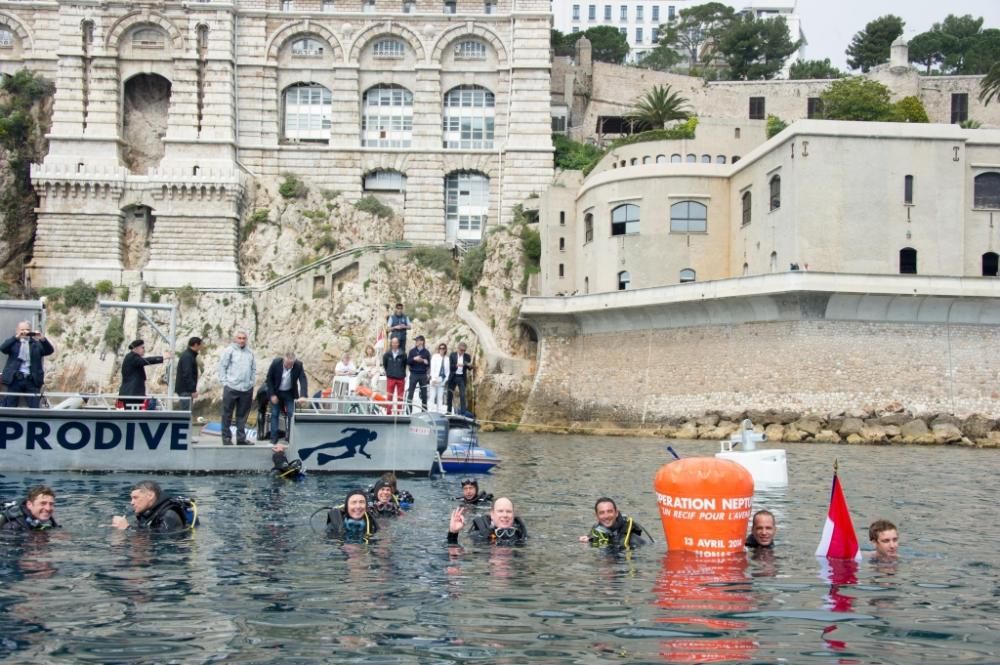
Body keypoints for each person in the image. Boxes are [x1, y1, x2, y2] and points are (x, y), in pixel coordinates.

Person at [1, 321, 55, 408]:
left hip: (32, 380)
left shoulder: (36, 344)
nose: (25, 332)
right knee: (10, 405)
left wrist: (42, 339)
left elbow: (49, 351)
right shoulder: (13, 343)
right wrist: (16, 337)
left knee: (34, 406)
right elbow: (3, 348)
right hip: (15, 379)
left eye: (27, 330)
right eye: (22, 330)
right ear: (17, 330)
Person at [218, 330, 257, 446]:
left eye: (244, 338)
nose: (242, 340)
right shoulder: (229, 351)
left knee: (243, 415)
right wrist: (225, 382)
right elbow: (222, 366)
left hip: (246, 389)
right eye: (239, 338)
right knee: (227, 414)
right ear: (235, 339)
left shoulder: (250, 352)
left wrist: (251, 382)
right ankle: (226, 438)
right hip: (231, 387)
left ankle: (241, 438)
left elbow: (253, 368)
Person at [111, 480, 192, 532]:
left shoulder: (169, 515)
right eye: (131, 498)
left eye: (135, 498)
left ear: (150, 496)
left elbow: (162, 537)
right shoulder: (148, 511)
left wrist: (128, 528)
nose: (131, 502)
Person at [265, 352, 308, 444]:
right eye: (287, 364)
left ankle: (290, 437)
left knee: (291, 413)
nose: (289, 366)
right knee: (275, 413)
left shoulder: (298, 365)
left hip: (289, 392)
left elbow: (303, 379)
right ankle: (273, 438)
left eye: (291, 364)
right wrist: (272, 395)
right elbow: (269, 379)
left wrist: (303, 395)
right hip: (276, 391)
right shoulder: (276, 363)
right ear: (284, 360)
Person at [447, 497, 527, 545]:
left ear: (513, 515)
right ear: (492, 514)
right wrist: (453, 533)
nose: (505, 515)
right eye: (500, 511)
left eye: (508, 511)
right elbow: (455, 555)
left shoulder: (521, 535)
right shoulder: (480, 535)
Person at [579, 497, 649, 549]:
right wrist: (588, 541)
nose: (606, 516)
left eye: (609, 511)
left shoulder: (633, 539)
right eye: (602, 513)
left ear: (616, 513)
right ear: (597, 516)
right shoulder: (596, 529)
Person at [119, 339, 172, 408]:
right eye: (142, 348)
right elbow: (145, 361)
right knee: (132, 413)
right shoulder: (132, 357)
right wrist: (162, 357)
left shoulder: (132, 357)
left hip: (133, 394)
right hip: (132, 394)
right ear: (136, 348)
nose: (144, 350)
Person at [447, 341, 475, 414]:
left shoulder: (467, 356)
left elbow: (469, 368)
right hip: (453, 376)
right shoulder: (452, 355)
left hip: (461, 377)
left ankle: (463, 412)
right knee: (450, 394)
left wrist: (470, 366)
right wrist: (456, 365)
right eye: (461, 350)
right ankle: (448, 411)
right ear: (458, 348)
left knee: (462, 395)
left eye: (464, 350)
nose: (462, 352)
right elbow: (450, 367)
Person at [175, 336, 202, 409]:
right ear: (196, 345)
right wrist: (192, 390)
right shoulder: (188, 356)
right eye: (200, 345)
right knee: (185, 412)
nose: (201, 347)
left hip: (186, 389)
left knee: (186, 411)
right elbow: (187, 374)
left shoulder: (189, 355)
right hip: (185, 390)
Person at [382, 336, 407, 413]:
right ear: (391, 343)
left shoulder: (403, 354)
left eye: (396, 342)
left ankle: (399, 412)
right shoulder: (387, 354)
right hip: (390, 378)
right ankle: (388, 413)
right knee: (389, 396)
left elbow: (404, 365)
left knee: (400, 397)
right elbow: (385, 365)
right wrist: (389, 372)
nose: (394, 344)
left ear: (398, 343)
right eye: (393, 342)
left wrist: (401, 372)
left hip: (400, 378)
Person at [406, 335, 431, 412]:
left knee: (424, 395)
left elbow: (429, 364)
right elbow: (408, 362)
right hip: (413, 374)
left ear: (422, 342)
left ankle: (424, 412)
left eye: (418, 340)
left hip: (423, 375)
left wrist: (423, 360)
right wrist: (414, 359)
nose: (416, 342)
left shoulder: (426, 352)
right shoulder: (412, 351)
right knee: (410, 394)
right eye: (416, 340)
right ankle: (408, 411)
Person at [428, 342, 451, 413]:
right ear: (439, 349)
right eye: (440, 348)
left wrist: (445, 380)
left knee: (440, 398)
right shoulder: (435, 356)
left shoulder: (447, 359)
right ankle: (430, 412)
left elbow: (448, 371)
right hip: (434, 379)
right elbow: (432, 368)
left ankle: (439, 412)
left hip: (442, 380)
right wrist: (433, 379)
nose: (442, 350)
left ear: (445, 349)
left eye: (443, 348)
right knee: (432, 396)